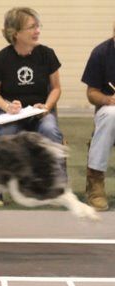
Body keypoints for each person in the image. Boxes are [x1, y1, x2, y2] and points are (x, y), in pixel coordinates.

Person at [0, 7, 64, 206]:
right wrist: (7, 105)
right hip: (12, 115)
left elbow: (56, 88)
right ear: (16, 33)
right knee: (7, 134)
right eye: (32, 27)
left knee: (50, 130)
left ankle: (59, 185)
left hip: (40, 112)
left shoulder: (47, 54)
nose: (37, 31)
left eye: (38, 26)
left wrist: (46, 106)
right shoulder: (1, 59)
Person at [80, 22, 115, 211]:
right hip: (109, 109)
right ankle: (95, 181)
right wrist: (109, 100)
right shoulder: (101, 53)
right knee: (111, 115)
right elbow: (91, 94)